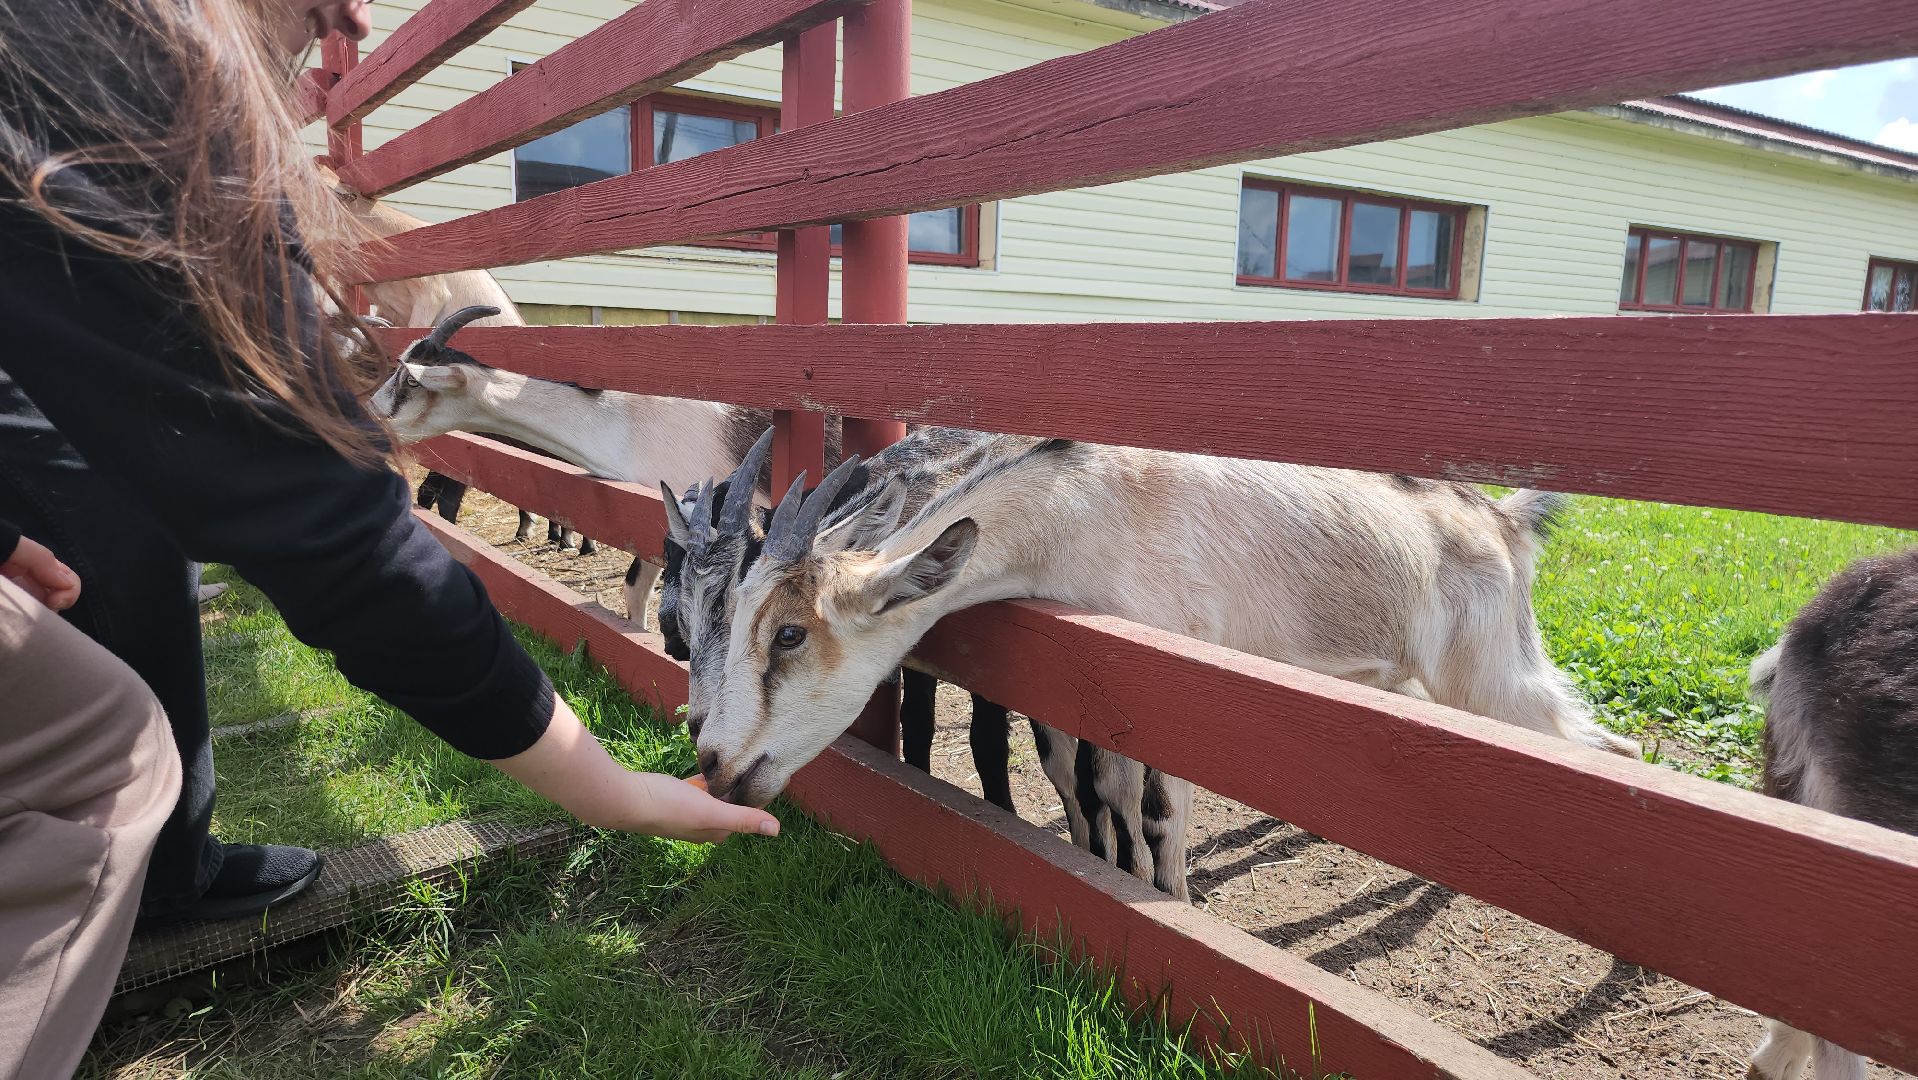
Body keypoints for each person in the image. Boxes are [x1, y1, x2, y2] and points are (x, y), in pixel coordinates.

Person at [0, 0, 778, 1069]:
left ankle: (167, 880)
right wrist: (604, 788)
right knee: (113, 750)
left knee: (110, 673)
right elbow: (325, 528)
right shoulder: (121, 66)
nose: (355, 20)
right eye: (336, 1)